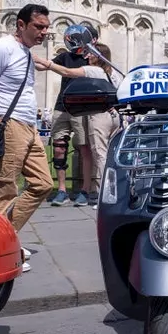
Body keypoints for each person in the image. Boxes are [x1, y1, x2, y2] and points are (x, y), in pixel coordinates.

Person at [0, 3, 53, 273]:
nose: (44, 33)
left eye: (46, 27)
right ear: (20, 24)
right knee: (5, 189)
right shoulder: (1, 47)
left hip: (29, 125)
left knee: (42, 184)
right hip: (8, 123)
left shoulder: (25, 54)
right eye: (39, 26)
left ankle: (3, 237)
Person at [37, 38, 122, 208]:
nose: (88, 55)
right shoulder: (112, 72)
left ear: (99, 56)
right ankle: (100, 192)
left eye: (92, 53)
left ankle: (104, 195)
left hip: (97, 115)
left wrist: (43, 62)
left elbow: (68, 72)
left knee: (99, 154)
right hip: (110, 116)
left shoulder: (94, 70)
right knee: (105, 153)